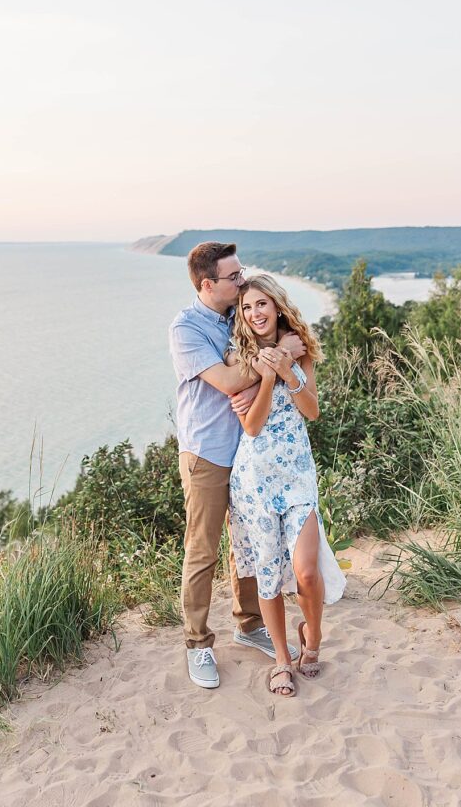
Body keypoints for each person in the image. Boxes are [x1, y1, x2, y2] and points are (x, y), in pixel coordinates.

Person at [169, 243, 304, 690]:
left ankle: (248, 624)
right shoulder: (186, 328)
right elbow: (227, 381)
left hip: (249, 451)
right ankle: (198, 644)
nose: (242, 281)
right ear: (208, 285)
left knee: (247, 544)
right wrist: (275, 359)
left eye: (241, 273)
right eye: (233, 277)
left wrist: (279, 347)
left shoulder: (238, 314)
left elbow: (271, 341)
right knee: (203, 549)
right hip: (207, 452)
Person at [226, 274, 346, 697]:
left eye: (262, 304)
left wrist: (287, 370)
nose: (255, 313)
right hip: (254, 480)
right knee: (268, 578)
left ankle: (311, 640)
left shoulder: (301, 347)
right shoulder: (239, 358)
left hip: (297, 475)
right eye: (246, 308)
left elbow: (311, 411)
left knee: (306, 571)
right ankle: (281, 659)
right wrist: (268, 376)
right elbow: (253, 425)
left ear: (276, 306)